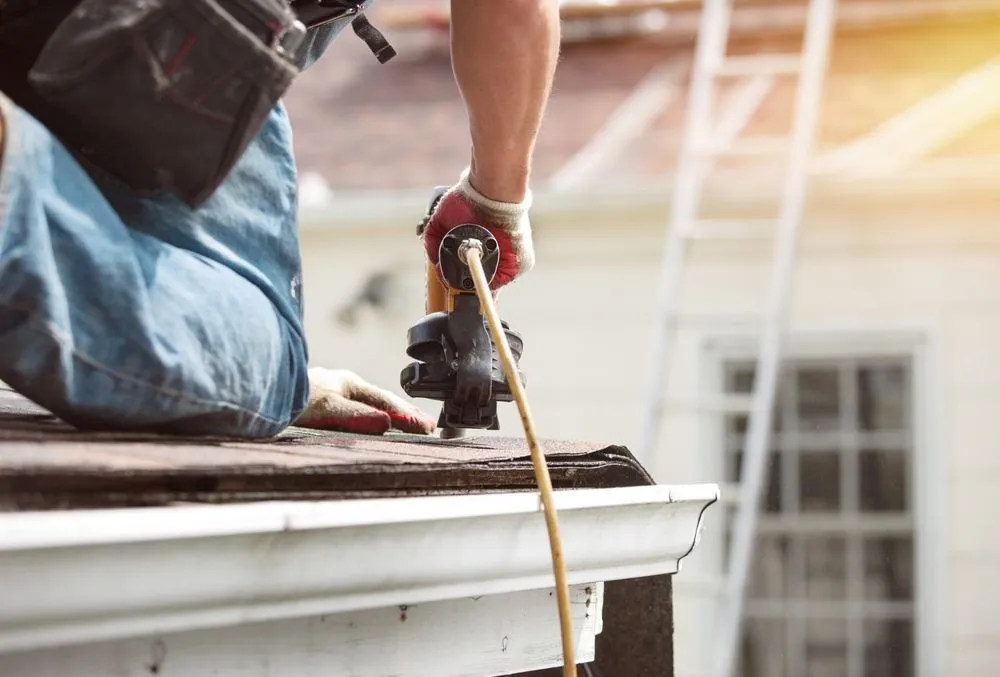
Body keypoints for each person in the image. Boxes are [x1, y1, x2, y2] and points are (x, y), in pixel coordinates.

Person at [0, 0, 560, 438]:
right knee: (265, 363)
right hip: (183, 33)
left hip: (168, 43)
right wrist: (496, 203)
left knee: (266, 359)